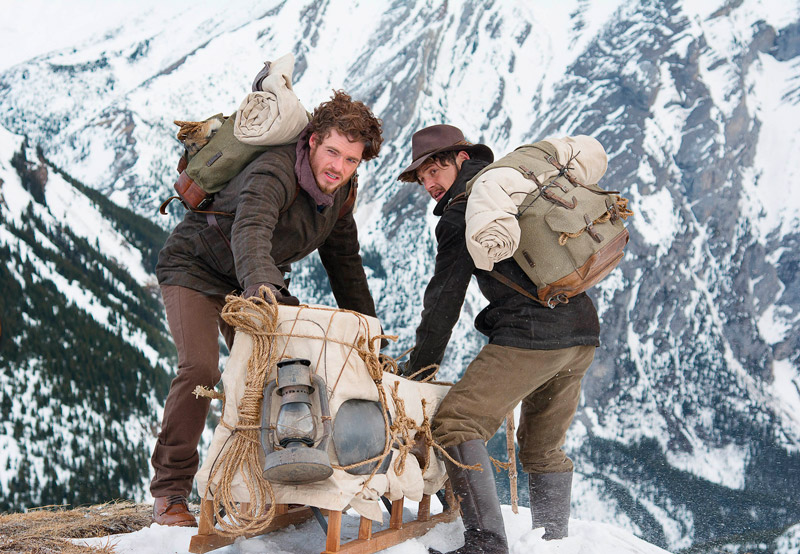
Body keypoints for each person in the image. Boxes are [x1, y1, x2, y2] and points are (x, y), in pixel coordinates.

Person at [151, 90, 383, 527]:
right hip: (195, 269)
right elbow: (252, 228)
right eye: (332, 152)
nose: (338, 167)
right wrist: (264, 291)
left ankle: (269, 485)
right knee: (200, 369)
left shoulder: (340, 193)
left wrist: (369, 331)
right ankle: (171, 491)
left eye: (351, 160)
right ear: (312, 141)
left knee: (285, 373)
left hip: (253, 278)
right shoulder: (274, 170)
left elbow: (345, 263)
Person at [398, 125, 600, 553]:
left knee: (456, 423)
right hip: (581, 332)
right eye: (422, 178)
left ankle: (486, 544)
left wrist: (418, 369)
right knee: (542, 449)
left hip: (531, 336)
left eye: (435, 170)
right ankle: (552, 544)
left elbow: (443, 303)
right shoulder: (515, 184)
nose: (430, 184)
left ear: (462, 159)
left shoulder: (463, 212)